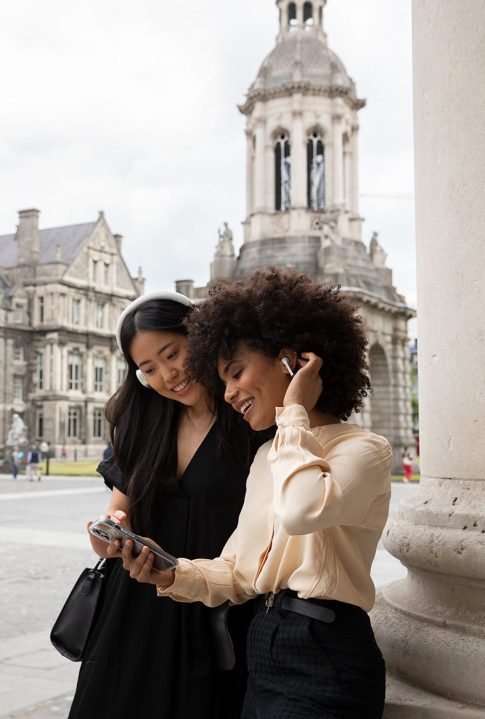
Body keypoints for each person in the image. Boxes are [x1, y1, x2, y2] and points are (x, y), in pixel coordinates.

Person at [120, 268, 393, 719]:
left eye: (236, 373)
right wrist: (170, 574)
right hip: (263, 648)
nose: (227, 394)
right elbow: (239, 572)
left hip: (326, 649)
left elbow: (302, 510)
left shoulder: (364, 450)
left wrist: (294, 412)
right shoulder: (269, 455)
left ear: (291, 361)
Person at [68, 291, 268, 719]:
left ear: (202, 336)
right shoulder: (143, 425)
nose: (168, 374)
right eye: (149, 368)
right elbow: (114, 520)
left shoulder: (252, 420)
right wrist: (109, 534)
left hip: (219, 614)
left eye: (172, 353)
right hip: (133, 614)